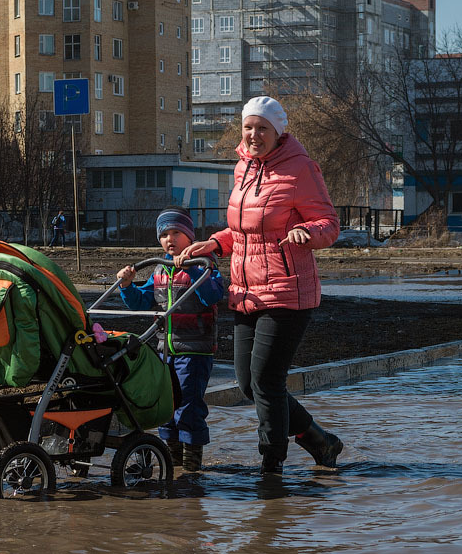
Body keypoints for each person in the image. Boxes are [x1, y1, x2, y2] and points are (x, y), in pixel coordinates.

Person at [177, 96, 343, 475]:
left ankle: (271, 466)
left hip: (288, 291)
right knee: (248, 383)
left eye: (262, 128)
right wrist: (216, 243)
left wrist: (306, 231)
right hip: (246, 291)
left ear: (277, 132)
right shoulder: (243, 168)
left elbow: (329, 224)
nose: (254, 135)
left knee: (267, 380)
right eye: (248, 127)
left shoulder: (300, 169)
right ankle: (320, 440)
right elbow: (245, 231)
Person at [117, 206, 225, 472]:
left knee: (188, 404)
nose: (170, 239)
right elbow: (141, 301)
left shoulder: (205, 264)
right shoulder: (160, 270)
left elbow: (212, 295)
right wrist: (127, 285)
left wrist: (195, 268)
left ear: (189, 236)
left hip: (194, 350)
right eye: (165, 234)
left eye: (176, 233)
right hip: (164, 350)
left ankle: (191, 464)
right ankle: (172, 460)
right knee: (165, 403)